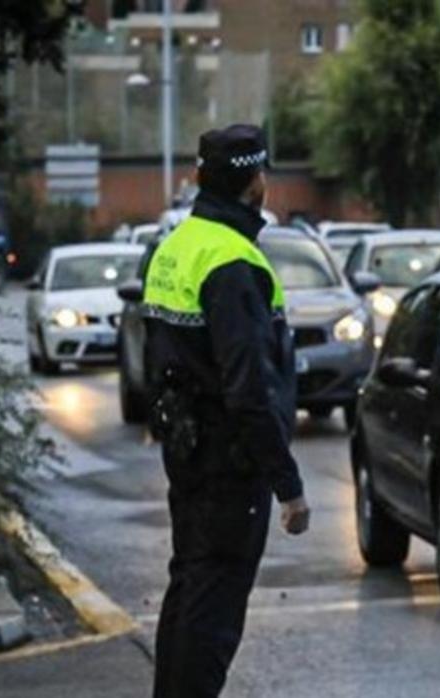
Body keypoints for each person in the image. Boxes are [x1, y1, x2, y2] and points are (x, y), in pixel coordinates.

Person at [142, 124, 310, 698]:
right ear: (255, 181)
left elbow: (156, 362)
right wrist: (287, 484)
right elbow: (249, 389)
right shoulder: (233, 262)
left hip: (187, 452)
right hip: (227, 463)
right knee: (212, 614)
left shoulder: (176, 248)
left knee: (188, 586)